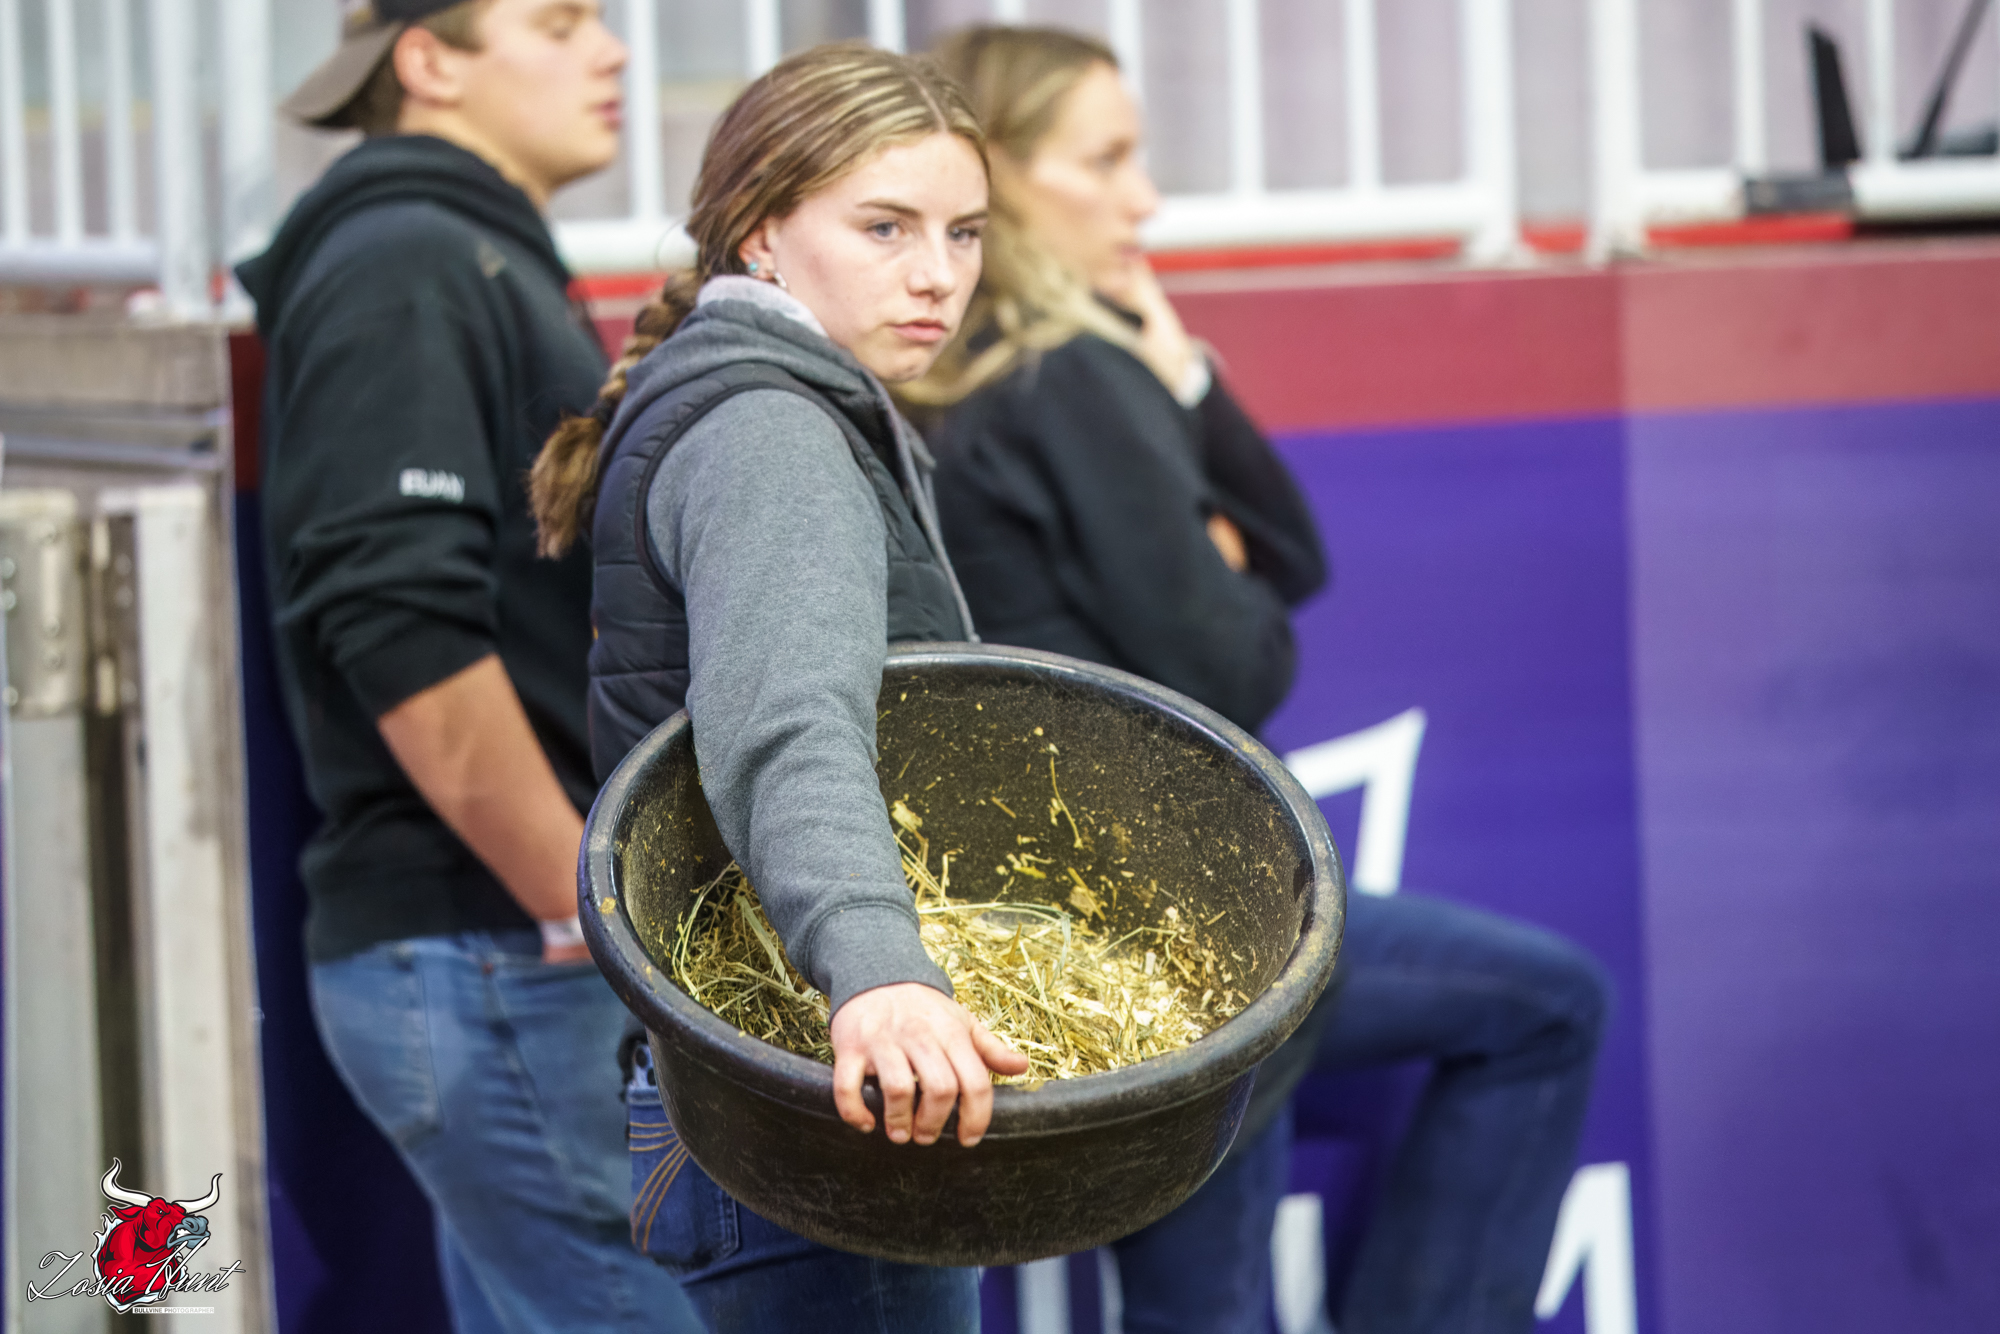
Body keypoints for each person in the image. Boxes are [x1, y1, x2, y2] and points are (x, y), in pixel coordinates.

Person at [918, 26, 1612, 1334]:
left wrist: (1184, 378)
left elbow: (1279, 558)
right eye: (1105, 160)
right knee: (1547, 1007)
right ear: (998, 171)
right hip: (1186, 933)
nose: (1144, 199)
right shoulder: (1068, 378)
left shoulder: (953, 377)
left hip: (1056, 926)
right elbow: (1241, 658)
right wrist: (1206, 528)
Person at [529, 42, 1024, 1332]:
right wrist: (877, 968)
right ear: (760, 233)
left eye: (964, 232)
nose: (938, 273)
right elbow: (787, 725)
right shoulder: (772, 433)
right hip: (811, 1105)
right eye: (884, 227)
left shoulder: (778, 398)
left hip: (781, 1092)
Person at [236, 3, 702, 1330]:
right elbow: (400, 628)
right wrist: (582, 904)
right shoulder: (409, 261)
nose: (612, 51)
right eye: (557, 23)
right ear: (428, 60)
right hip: (502, 947)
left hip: (504, 950)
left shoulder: (469, 254)